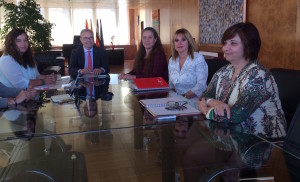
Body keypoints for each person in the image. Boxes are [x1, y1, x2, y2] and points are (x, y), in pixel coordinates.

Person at [198, 22, 286, 138]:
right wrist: (215, 103)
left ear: (248, 46)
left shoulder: (259, 75)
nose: (225, 48)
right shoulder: (223, 71)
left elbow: (235, 115)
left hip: (265, 143)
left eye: (233, 43)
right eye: (225, 43)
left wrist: (204, 108)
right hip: (233, 137)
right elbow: (203, 97)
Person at [168, 28, 208, 99]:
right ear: (173, 44)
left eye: (183, 40)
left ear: (189, 42)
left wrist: (187, 95)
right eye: (176, 40)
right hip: (175, 99)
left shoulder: (198, 58)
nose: (179, 43)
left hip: (194, 99)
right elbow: (171, 85)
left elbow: (201, 84)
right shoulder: (172, 60)